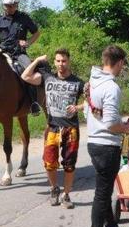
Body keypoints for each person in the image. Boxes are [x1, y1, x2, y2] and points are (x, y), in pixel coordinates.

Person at [85, 45, 129, 227]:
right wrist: (127, 128)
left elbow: (91, 113)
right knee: (103, 193)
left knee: (103, 188)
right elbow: (111, 124)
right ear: (120, 62)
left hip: (93, 141)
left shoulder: (92, 82)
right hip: (107, 144)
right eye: (123, 64)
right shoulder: (111, 88)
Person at [21, 49, 84, 209]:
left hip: (71, 129)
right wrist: (36, 61)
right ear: (54, 63)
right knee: (49, 162)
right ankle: (54, 188)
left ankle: (67, 195)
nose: (61, 64)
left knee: (69, 164)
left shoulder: (78, 83)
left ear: (68, 61)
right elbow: (25, 76)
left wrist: (78, 107)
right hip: (52, 127)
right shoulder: (47, 78)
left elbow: (91, 101)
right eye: (58, 61)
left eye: (64, 61)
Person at [0, 0, 42, 114]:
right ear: (4, 5)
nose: (11, 7)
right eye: (8, 5)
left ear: (17, 4)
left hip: (19, 54)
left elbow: (37, 33)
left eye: (14, 5)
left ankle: (33, 103)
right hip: (2, 53)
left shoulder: (24, 18)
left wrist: (28, 42)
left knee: (29, 70)